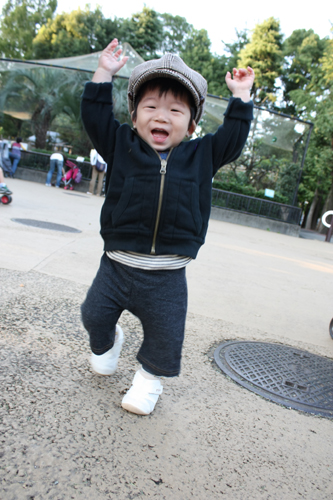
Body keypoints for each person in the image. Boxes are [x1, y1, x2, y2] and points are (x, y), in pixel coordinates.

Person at [80, 39, 254, 416]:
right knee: (93, 315)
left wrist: (241, 97)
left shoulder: (201, 155)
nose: (162, 116)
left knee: (165, 337)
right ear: (135, 116)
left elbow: (233, 139)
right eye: (151, 107)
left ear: (191, 124)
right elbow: (94, 117)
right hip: (116, 266)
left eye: (176, 109)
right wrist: (104, 73)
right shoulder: (120, 144)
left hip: (167, 277)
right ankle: (106, 344)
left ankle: (147, 382)